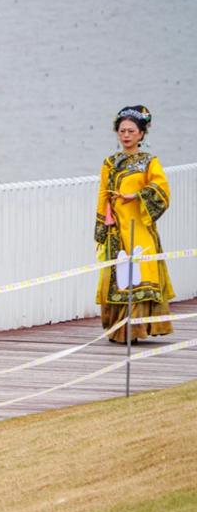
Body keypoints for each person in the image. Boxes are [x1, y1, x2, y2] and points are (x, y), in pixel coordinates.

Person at [95, 105, 173, 343]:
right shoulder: (110, 163)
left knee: (141, 275)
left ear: (141, 134)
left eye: (131, 131)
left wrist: (137, 196)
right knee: (117, 277)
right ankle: (118, 330)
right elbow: (103, 197)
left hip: (140, 227)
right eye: (122, 131)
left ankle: (137, 330)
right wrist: (100, 232)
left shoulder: (150, 162)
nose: (126, 135)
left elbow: (162, 191)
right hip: (116, 229)